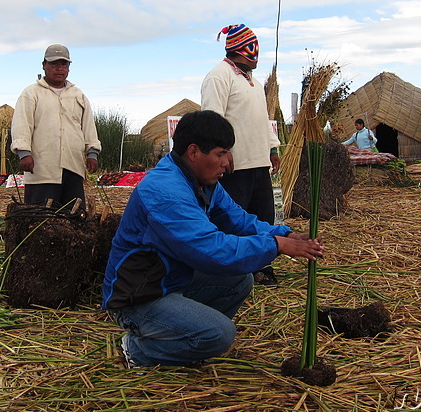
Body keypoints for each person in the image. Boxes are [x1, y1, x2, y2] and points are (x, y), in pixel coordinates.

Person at [101, 110, 325, 367]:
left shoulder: (202, 182)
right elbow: (213, 250)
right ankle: (138, 349)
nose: (228, 162)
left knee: (240, 280)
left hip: (170, 281)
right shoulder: (165, 192)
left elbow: (237, 220)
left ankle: (186, 339)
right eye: (220, 153)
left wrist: (283, 233)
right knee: (220, 334)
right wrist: (276, 245)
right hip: (138, 297)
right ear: (194, 152)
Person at [200, 24, 281, 284]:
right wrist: (222, 152)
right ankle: (234, 274)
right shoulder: (218, 76)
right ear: (239, 49)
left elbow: (263, 119)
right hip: (233, 167)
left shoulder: (254, 83)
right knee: (234, 221)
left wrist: (272, 148)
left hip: (258, 163)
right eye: (252, 48)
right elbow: (212, 118)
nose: (256, 55)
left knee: (263, 217)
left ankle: (262, 268)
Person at [10, 44, 101, 207]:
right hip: (42, 169)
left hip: (73, 168)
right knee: (40, 219)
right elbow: (22, 124)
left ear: (69, 67)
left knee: (73, 220)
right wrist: (24, 153)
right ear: (44, 65)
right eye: (54, 64)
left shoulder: (78, 95)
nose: (59, 69)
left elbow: (88, 126)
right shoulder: (31, 93)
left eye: (63, 64)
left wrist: (92, 153)